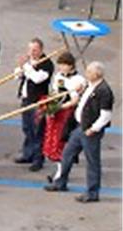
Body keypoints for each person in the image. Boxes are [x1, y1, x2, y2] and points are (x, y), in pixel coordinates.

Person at [45, 62, 113, 203]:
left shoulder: (104, 91)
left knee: (92, 161)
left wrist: (93, 129)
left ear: (96, 74)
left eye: (89, 72)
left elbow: (106, 115)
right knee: (67, 154)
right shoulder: (89, 85)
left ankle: (92, 192)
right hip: (79, 127)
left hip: (89, 131)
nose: (86, 74)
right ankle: (60, 182)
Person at [14, 39, 54, 172]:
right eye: (30, 49)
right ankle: (28, 154)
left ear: (41, 50)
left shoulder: (47, 64)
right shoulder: (29, 62)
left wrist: (26, 67)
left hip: (38, 101)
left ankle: (38, 159)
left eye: (35, 50)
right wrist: (20, 69)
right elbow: (18, 76)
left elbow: (37, 78)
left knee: (38, 131)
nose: (31, 52)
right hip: (26, 99)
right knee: (27, 128)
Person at [42, 52, 83, 170]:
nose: (60, 68)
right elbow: (55, 92)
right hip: (57, 111)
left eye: (63, 65)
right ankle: (58, 168)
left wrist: (61, 107)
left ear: (70, 66)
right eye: (59, 65)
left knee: (62, 140)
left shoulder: (77, 80)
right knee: (52, 139)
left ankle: (62, 171)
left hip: (67, 114)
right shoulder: (59, 76)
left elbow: (74, 100)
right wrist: (50, 104)